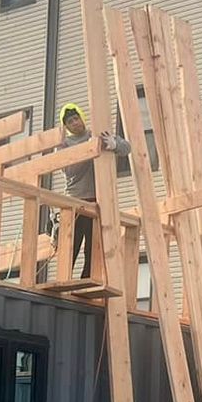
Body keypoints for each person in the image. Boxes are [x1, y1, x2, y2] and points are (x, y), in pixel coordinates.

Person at [57, 101, 129, 277]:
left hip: (97, 200)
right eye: (69, 122)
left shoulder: (95, 134)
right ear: (65, 126)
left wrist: (114, 144)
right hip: (76, 200)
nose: (74, 123)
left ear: (81, 117)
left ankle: (86, 282)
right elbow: (69, 170)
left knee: (93, 246)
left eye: (76, 118)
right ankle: (64, 280)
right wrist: (88, 150)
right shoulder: (64, 144)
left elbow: (127, 148)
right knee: (71, 245)